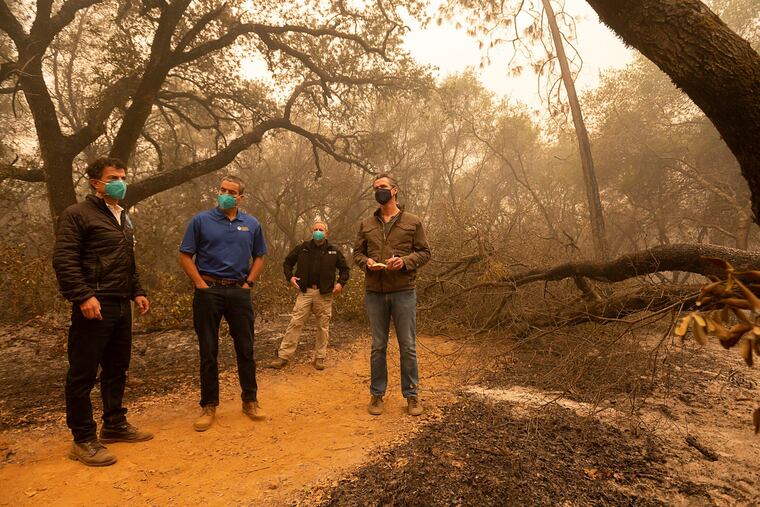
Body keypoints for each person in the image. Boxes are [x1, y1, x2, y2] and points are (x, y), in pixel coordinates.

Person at [53, 156, 153, 467]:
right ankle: (82, 439)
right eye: (113, 177)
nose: (120, 182)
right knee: (83, 374)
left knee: (116, 368)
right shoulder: (77, 215)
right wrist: (83, 296)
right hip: (94, 305)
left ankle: (114, 424)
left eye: (123, 176)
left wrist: (137, 291)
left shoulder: (122, 216)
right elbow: (64, 260)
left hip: (121, 303)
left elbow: (127, 259)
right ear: (95, 182)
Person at [179, 175, 267, 432]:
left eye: (231, 191)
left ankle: (250, 401)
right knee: (208, 350)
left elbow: (260, 255)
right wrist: (199, 284)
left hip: (238, 291)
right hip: (209, 291)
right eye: (222, 190)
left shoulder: (251, 224)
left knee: (246, 348)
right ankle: (209, 406)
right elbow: (185, 255)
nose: (225, 194)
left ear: (241, 197)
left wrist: (248, 283)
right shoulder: (200, 221)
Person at [353, 174, 431, 416]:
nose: (379, 191)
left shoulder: (413, 221)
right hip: (374, 292)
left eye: (383, 187)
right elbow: (356, 254)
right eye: (376, 188)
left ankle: (412, 395)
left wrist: (405, 261)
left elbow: (425, 252)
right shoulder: (366, 224)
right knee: (378, 346)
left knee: (407, 345)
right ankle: (377, 395)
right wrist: (367, 262)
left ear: (395, 190)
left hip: (403, 291)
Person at [266, 221, 350, 371]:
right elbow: (287, 262)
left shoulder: (334, 251)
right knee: (295, 323)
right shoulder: (302, 248)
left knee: (322, 327)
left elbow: (345, 270)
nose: (318, 232)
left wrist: (340, 284)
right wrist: (289, 277)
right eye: (315, 229)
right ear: (312, 232)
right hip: (304, 293)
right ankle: (283, 356)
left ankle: (320, 357)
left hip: (324, 294)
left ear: (327, 233)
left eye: (321, 230)